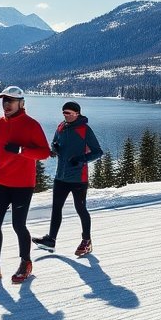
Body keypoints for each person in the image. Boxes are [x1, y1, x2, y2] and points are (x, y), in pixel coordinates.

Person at [0, 85, 50, 285]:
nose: (6, 104)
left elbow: (44, 153)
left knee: (18, 225)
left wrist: (22, 150)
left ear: (21, 103)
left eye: (10, 101)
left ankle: (26, 262)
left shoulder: (32, 125)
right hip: (0, 183)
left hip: (22, 185)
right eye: (4, 101)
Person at [33, 100, 104, 257]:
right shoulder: (61, 126)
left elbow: (98, 152)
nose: (66, 116)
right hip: (61, 177)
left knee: (80, 209)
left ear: (77, 114)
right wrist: (55, 148)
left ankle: (87, 241)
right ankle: (51, 240)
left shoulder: (84, 129)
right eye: (64, 113)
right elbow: (55, 142)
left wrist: (80, 159)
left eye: (69, 113)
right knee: (56, 208)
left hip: (79, 178)